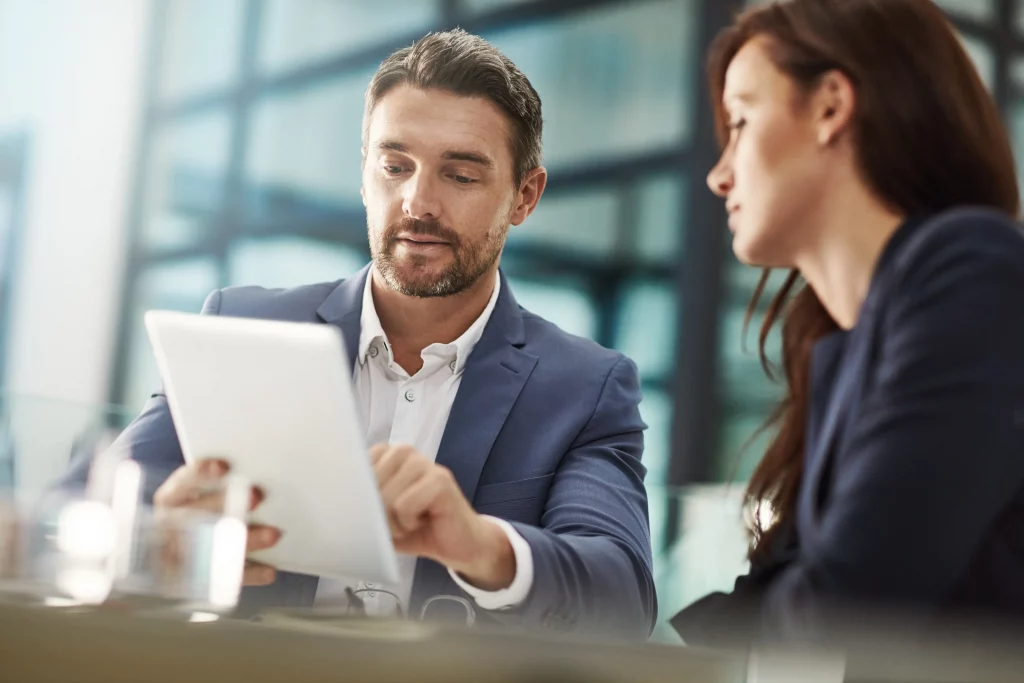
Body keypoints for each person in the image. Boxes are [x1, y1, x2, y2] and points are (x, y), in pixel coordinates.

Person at [60, 29, 656, 638]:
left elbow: (623, 597)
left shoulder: (585, 387)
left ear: (524, 196)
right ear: (365, 174)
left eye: (461, 176)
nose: (417, 202)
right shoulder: (242, 327)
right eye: (395, 166)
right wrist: (162, 530)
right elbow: (75, 510)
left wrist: (483, 547)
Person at [671, 0, 1024, 646]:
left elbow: (852, 599)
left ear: (831, 105)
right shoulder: (842, 343)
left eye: (742, 121)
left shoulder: (973, 268)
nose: (719, 175)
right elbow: (777, 594)